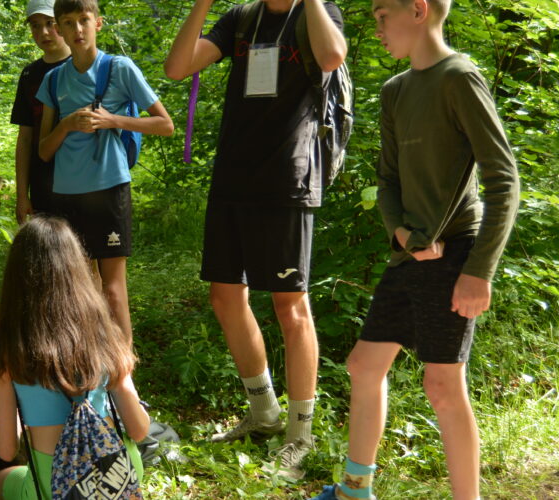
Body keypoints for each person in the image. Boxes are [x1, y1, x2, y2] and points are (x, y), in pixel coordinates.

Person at [311, 0, 519, 498]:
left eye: (383, 16)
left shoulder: (459, 76)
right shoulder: (395, 90)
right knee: (363, 366)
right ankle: (355, 490)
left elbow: (503, 177)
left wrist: (478, 271)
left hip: (455, 255)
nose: (377, 28)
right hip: (407, 254)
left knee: (442, 387)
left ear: (419, 10)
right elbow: (387, 181)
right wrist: (400, 233)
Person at [164, 0, 347, 477]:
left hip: (288, 179)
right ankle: (264, 413)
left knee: (291, 306)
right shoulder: (241, 18)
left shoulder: (318, 11)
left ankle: (300, 436)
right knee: (225, 297)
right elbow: (177, 67)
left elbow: (331, 58)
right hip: (233, 178)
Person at [36, 0, 174, 344]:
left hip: (109, 187)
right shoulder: (53, 80)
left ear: (97, 23)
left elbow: (165, 124)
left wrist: (112, 120)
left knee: (112, 290)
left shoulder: (119, 68)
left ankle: (125, 380)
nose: (77, 30)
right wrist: (67, 124)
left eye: (84, 20)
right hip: (66, 193)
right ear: (59, 29)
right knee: (78, 288)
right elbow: (43, 150)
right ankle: (91, 369)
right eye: (68, 23)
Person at [0, 217, 150, 499]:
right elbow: (138, 431)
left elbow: (6, 450)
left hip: (55, 489)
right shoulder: (103, 333)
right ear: (77, 270)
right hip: (118, 474)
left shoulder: (8, 346)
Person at [11, 0, 70, 223]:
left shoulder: (83, 65)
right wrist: (21, 196)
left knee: (86, 252)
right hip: (43, 180)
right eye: (35, 25)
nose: (43, 32)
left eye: (50, 23)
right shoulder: (29, 75)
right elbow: (25, 139)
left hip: (82, 177)